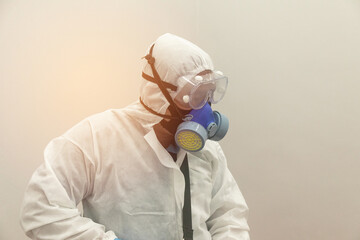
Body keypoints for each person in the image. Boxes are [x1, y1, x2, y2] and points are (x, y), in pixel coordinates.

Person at [20, 33, 250, 240]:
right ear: (161, 92)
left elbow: (229, 216)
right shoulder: (97, 138)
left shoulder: (207, 150)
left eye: (209, 94)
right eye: (195, 96)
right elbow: (41, 210)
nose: (205, 110)